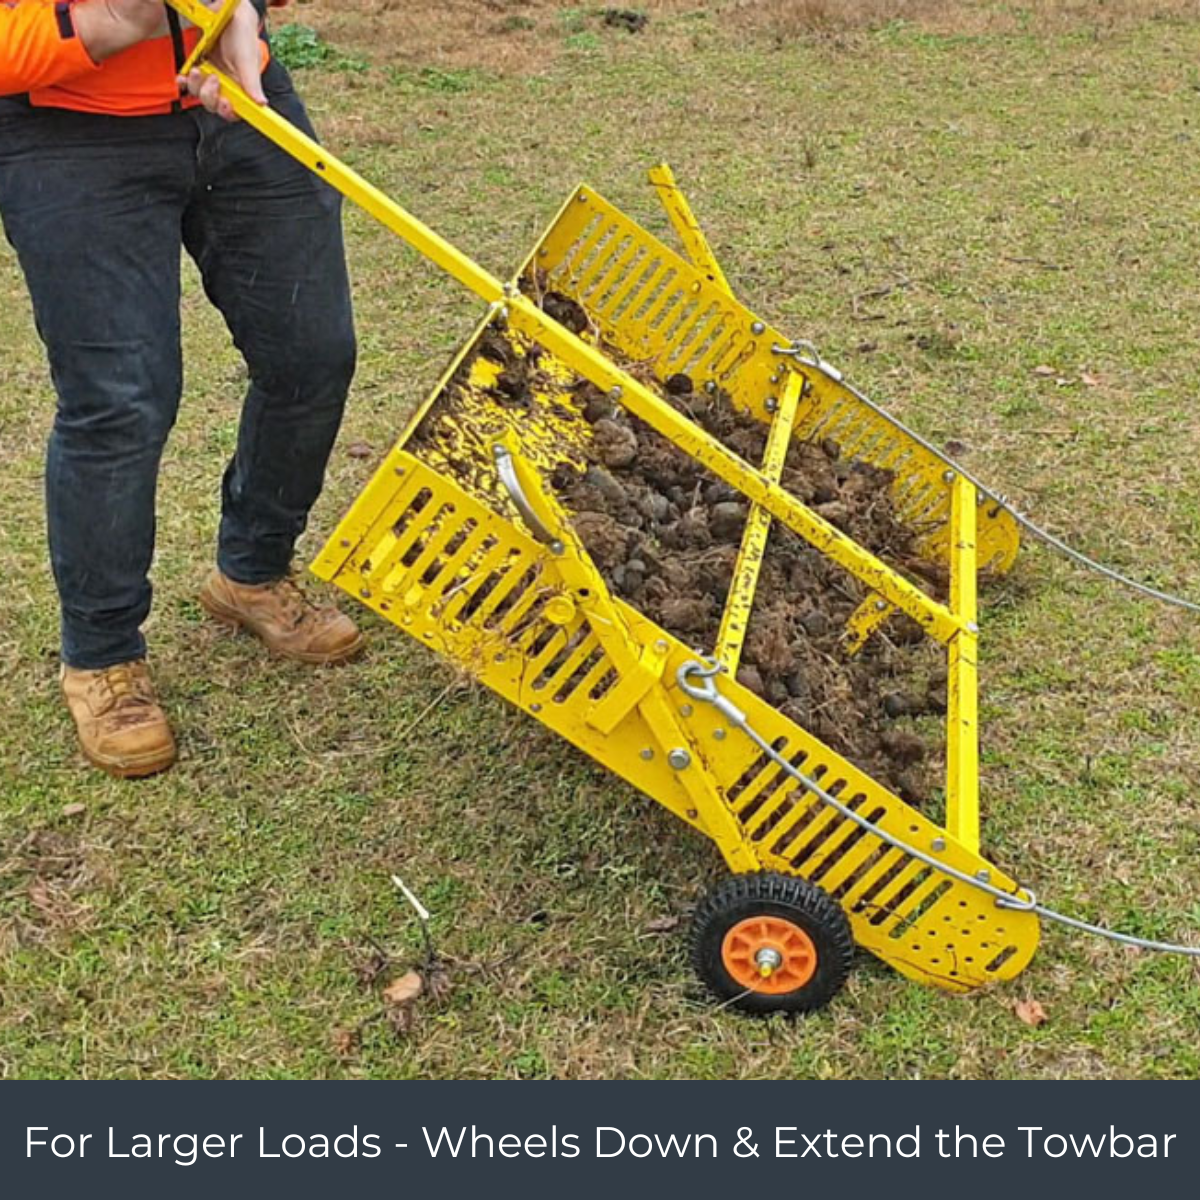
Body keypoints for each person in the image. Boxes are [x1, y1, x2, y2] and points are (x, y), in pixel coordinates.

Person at [0, 0, 363, 780]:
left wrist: (236, 17)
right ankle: (103, 657)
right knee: (121, 399)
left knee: (312, 353)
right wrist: (94, 28)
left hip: (232, 98)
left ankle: (252, 572)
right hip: (66, 127)